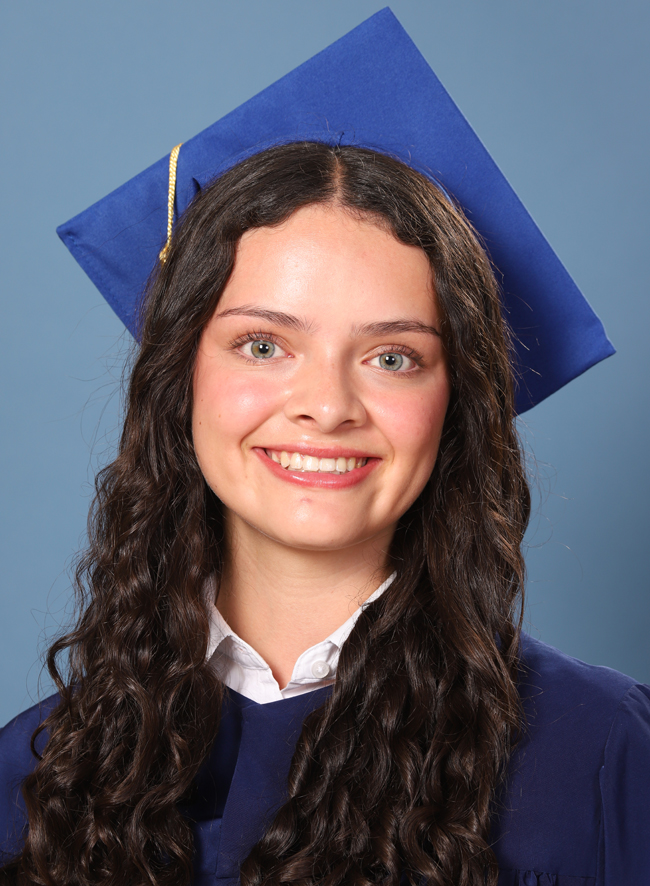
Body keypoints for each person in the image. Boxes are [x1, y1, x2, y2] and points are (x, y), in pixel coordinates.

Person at [1, 11, 649, 886]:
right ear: (179, 377)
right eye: (263, 344)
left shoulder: (598, 756)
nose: (327, 407)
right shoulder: (37, 777)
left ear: (455, 401)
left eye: (393, 357)